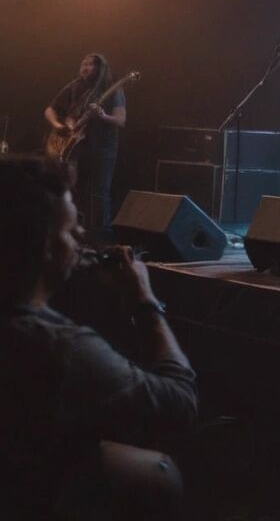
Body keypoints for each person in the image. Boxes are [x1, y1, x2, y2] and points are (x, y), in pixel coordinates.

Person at [0, 155, 198, 519]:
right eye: (72, 231)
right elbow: (179, 400)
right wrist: (145, 303)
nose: (80, 241)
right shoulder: (61, 347)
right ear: (45, 245)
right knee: (158, 475)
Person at [45, 53, 127, 240]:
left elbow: (121, 120)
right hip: (76, 147)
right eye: (83, 63)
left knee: (100, 191)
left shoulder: (112, 89)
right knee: (73, 188)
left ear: (100, 68)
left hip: (103, 148)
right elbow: (50, 109)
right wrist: (59, 127)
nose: (85, 67)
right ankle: (74, 231)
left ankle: (101, 237)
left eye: (90, 64)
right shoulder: (74, 85)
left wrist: (104, 117)